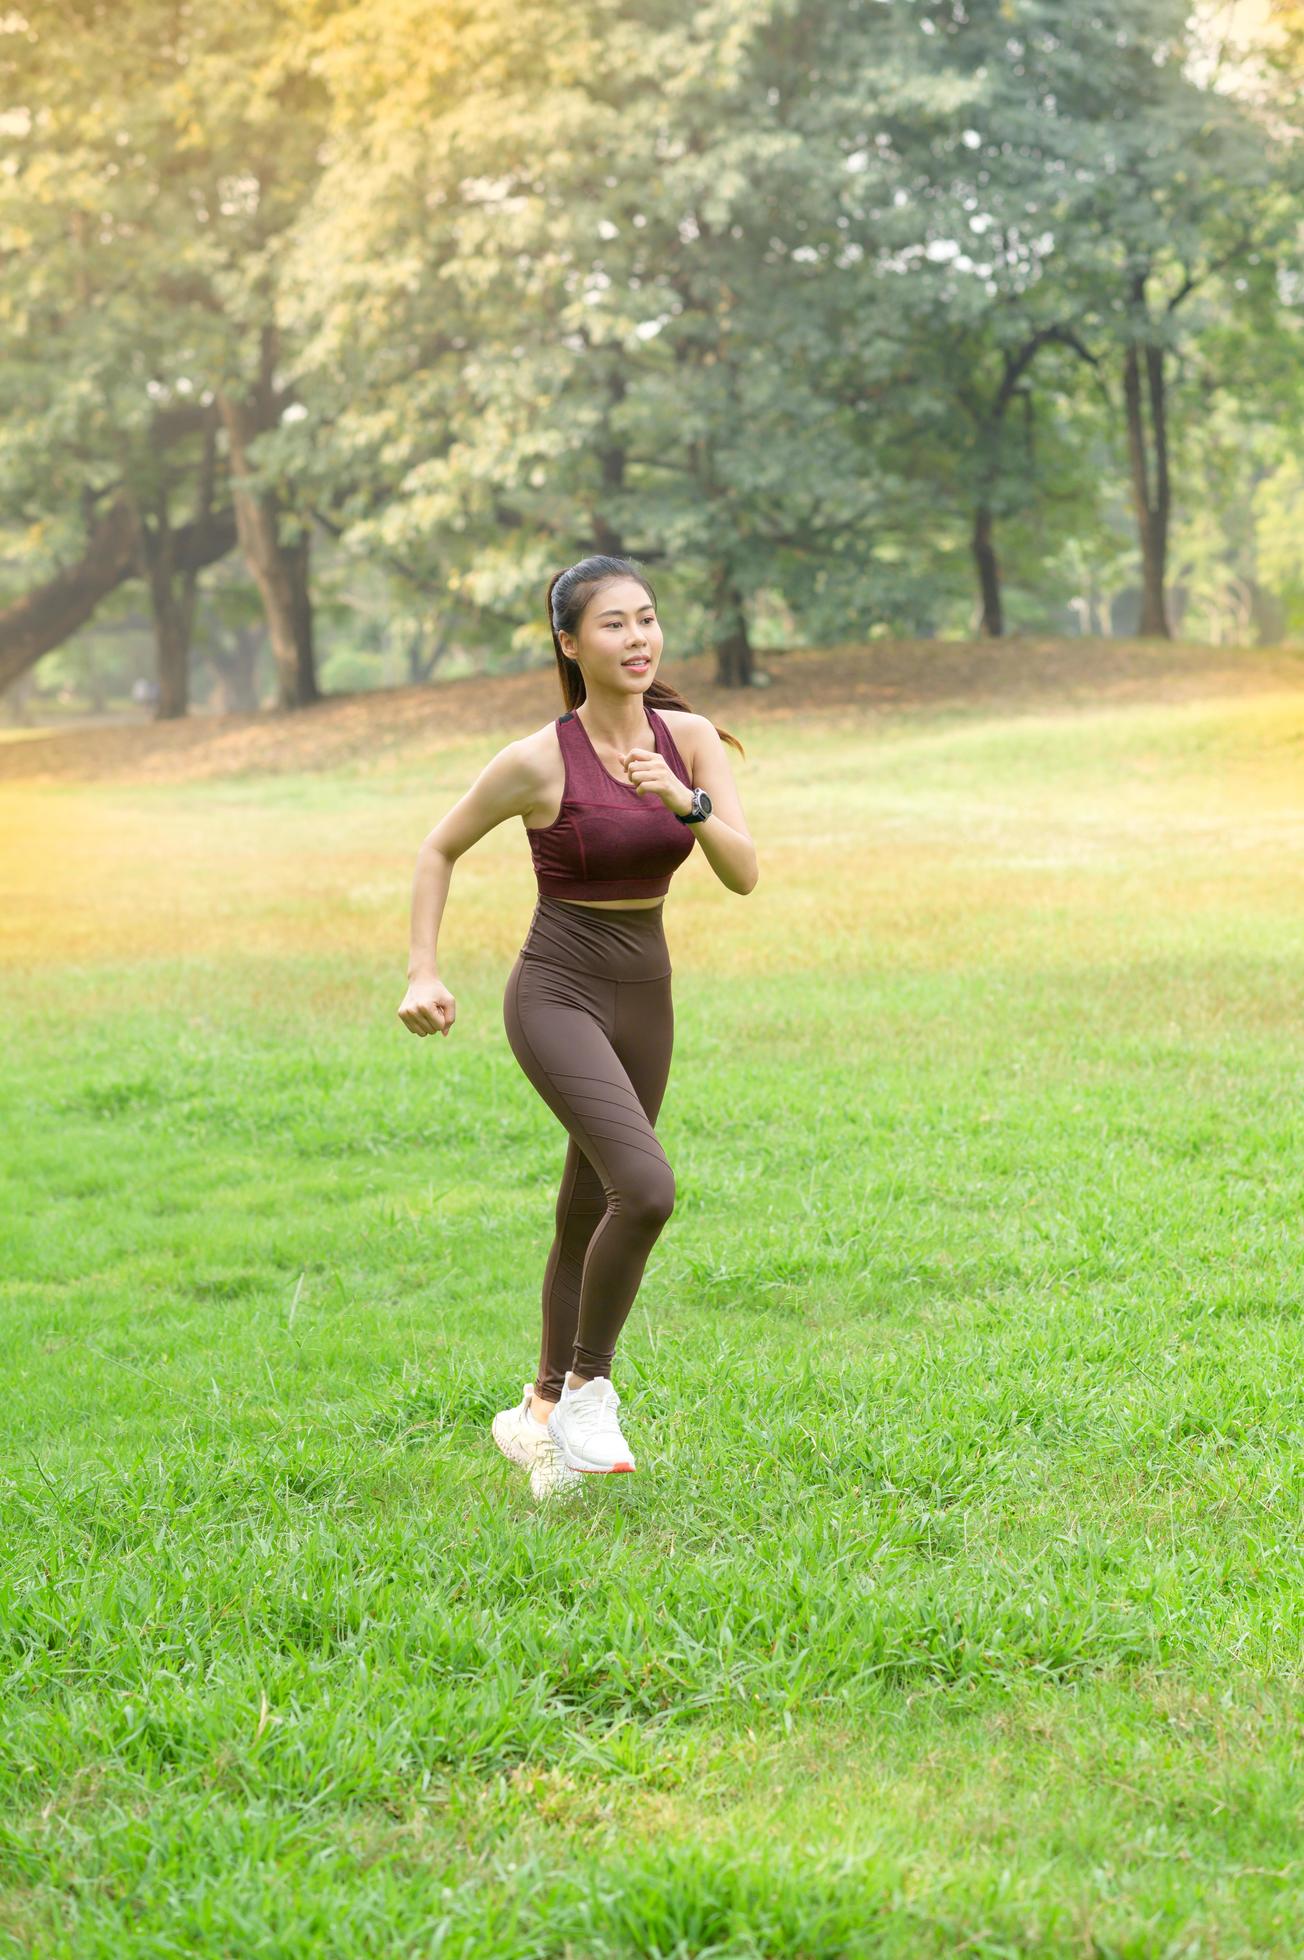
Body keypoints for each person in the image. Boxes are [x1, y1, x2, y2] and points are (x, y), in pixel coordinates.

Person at [398, 554, 757, 1496]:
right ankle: (592, 1388)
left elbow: (743, 870)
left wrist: (683, 800)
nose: (638, 639)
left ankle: (539, 1419)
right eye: (614, 625)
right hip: (557, 990)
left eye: (647, 619)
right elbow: (438, 847)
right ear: (569, 643)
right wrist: (423, 969)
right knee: (643, 1188)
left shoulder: (686, 740)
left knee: (586, 1207)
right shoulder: (535, 760)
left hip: (647, 990)